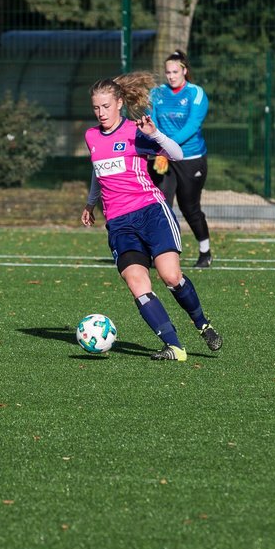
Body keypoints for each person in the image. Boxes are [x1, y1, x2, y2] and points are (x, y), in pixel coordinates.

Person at [81, 71, 223, 361]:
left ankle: (202, 324)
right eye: (96, 107)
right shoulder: (92, 136)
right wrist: (90, 203)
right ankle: (175, 347)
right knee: (137, 284)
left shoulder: (135, 131)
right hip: (119, 223)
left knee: (171, 276)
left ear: (119, 103)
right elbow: (98, 170)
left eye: (106, 106)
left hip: (151, 212)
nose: (101, 113)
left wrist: (155, 134)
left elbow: (177, 154)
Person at [148, 50, 215, 268]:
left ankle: (205, 251)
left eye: (175, 71)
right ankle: (161, 253)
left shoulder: (196, 93)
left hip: (190, 159)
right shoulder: (157, 93)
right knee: (161, 205)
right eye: (167, 72)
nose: (171, 76)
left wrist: (167, 145)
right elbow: (154, 122)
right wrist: (160, 148)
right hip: (164, 159)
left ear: (184, 71)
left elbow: (192, 126)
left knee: (189, 207)